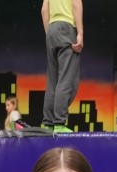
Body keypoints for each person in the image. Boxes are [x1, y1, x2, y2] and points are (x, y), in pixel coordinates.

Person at [41, 0, 83, 132]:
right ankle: (59, 123)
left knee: (52, 80)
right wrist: (80, 33)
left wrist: (49, 33)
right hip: (66, 27)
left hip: (51, 28)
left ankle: (48, 124)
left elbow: (44, 10)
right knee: (66, 78)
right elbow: (76, 4)